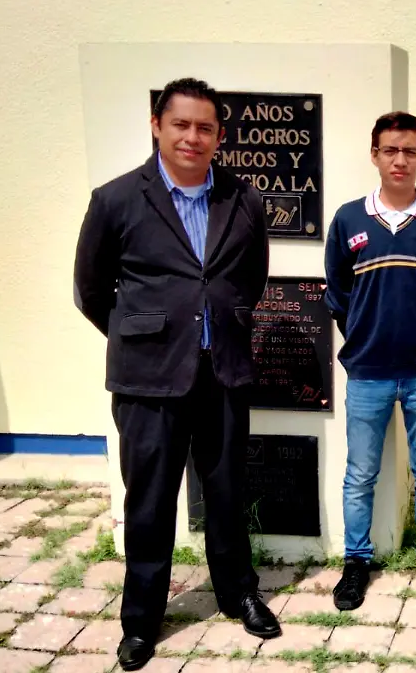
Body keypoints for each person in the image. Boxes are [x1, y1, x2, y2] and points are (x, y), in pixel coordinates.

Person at [73, 77, 280, 671]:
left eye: (205, 127)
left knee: (227, 493)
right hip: (149, 380)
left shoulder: (244, 199)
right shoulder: (116, 199)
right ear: (157, 126)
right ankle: (141, 620)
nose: (193, 136)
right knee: (150, 501)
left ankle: (238, 593)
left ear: (219, 135)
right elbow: (92, 290)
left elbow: (250, 280)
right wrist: (145, 338)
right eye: (181, 124)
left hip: (223, 373)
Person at [323, 111, 416, 611]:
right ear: (375, 155)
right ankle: (356, 562)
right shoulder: (349, 219)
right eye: (390, 150)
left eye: (409, 151)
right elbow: (337, 292)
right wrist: (363, 337)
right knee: (360, 473)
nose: (399, 160)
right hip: (367, 374)